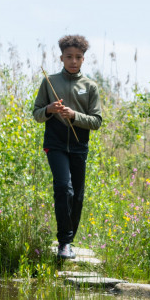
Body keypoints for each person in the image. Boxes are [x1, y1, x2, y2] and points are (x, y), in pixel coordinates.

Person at [33, 35, 103, 260]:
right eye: (69, 57)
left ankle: (69, 240)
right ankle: (64, 243)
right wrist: (50, 110)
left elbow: (97, 121)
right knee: (64, 188)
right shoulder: (49, 81)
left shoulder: (90, 86)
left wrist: (74, 116)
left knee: (78, 196)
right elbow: (36, 114)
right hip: (55, 144)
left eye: (78, 57)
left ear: (83, 59)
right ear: (61, 57)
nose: (73, 61)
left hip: (79, 145)